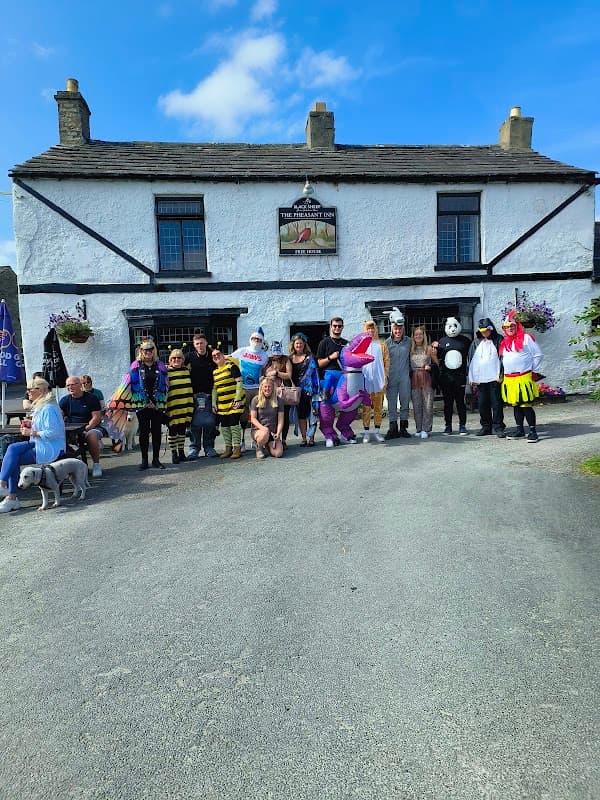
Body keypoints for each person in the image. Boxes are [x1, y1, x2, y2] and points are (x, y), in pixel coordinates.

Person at [0, 377, 66, 513]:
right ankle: (4, 486)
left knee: (14, 458)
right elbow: (43, 427)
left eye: (30, 389)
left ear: (40, 391)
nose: (28, 392)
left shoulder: (48, 408)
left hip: (50, 447)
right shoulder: (42, 405)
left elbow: (53, 432)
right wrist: (31, 424)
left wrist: (32, 432)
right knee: (12, 449)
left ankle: (10, 495)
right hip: (38, 442)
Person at [107, 339, 169, 470]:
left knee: (157, 432)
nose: (148, 352)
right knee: (144, 432)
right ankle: (145, 460)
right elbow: (130, 384)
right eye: (145, 349)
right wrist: (115, 401)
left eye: (151, 349)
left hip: (157, 405)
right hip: (142, 404)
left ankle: (156, 460)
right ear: (141, 351)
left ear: (154, 350)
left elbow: (165, 385)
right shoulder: (136, 366)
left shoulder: (161, 365)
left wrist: (157, 401)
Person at [499, 312, 543, 443]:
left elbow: (538, 355)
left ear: (517, 326)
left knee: (525, 405)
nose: (510, 328)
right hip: (509, 380)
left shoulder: (526, 338)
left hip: (523, 377)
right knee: (516, 405)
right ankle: (520, 430)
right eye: (507, 327)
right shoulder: (504, 342)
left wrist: (532, 370)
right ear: (504, 329)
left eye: (512, 326)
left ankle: (533, 431)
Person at [432, 316, 471, 436]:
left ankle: (462, 425)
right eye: (449, 326)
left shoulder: (466, 341)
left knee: (460, 402)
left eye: (455, 325)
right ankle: (448, 426)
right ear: (445, 327)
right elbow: (435, 358)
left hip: (460, 377)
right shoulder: (441, 342)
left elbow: (472, 357)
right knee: (447, 403)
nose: (452, 329)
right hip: (446, 378)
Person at [231, 328, 269, 451]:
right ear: (250, 339)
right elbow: (229, 360)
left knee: (256, 415)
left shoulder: (264, 356)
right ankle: (242, 441)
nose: (256, 341)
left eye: (259, 340)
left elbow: (263, 371)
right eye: (254, 339)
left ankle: (255, 439)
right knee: (243, 416)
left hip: (257, 389)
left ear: (262, 341)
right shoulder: (242, 351)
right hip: (242, 388)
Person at [467, 318, 506, 438]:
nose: (484, 333)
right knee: (483, 404)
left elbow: (504, 358)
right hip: (481, 379)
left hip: (494, 378)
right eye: (482, 331)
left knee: (496, 403)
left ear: (491, 329)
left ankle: (498, 427)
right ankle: (486, 427)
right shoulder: (476, 342)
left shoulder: (499, 339)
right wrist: (471, 377)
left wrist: (501, 374)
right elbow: (471, 360)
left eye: (486, 330)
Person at [59, 375, 104, 477]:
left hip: (92, 427)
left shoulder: (91, 398)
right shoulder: (64, 400)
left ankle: (96, 465)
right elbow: (59, 417)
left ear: (80, 385)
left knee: (91, 436)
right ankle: (69, 468)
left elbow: (96, 417)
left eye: (73, 384)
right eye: (68, 385)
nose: (70, 387)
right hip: (72, 429)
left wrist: (86, 429)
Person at [186, 333, 217, 459]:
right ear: (194, 345)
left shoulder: (212, 356)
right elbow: (177, 366)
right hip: (194, 396)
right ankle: (194, 448)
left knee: (210, 423)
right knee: (195, 424)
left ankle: (209, 447)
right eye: (197, 343)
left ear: (206, 343)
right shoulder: (189, 357)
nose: (200, 346)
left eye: (202, 343)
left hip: (210, 395)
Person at [211, 345, 245, 459]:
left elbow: (239, 382)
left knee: (234, 424)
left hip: (234, 401)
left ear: (222, 355)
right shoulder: (215, 372)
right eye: (214, 356)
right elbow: (214, 389)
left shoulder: (232, 366)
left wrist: (237, 398)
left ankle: (237, 448)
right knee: (224, 426)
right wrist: (213, 403)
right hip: (222, 404)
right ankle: (228, 448)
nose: (216, 357)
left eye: (218, 354)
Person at [288, 333, 319, 446]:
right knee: (301, 415)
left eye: (301, 343)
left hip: (310, 390)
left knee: (312, 415)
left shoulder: (310, 356)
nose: (299, 345)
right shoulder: (290, 358)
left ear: (304, 344)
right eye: (297, 343)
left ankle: (311, 438)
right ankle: (304, 438)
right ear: (293, 345)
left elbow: (315, 374)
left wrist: (316, 389)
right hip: (297, 392)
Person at [384, 310, 411, 439]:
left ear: (403, 329)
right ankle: (393, 428)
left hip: (405, 377)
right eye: (395, 329)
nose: (398, 331)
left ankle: (404, 428)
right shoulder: (386, 344)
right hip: (391, 377)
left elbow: (420, 348)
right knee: (392, 404)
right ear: (392, 329)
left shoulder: (409, 342)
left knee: (405, 402)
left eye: (400, 329)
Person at [361, 320, 389, 443]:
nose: (371, 331)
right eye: (368, 329)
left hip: (378, 380)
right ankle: (366, 432)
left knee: (378, 407)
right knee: (366, 407)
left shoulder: (381, 344)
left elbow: (386, 361)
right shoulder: (361, 345)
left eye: (373, 329)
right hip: (365, 380)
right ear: (365, 330)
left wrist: (385, 377)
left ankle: (377, 431)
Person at [262, 341, 293, 447]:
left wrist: (277, 373)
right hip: (270, 392)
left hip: (283, 393)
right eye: (275, 352)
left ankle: (283, 439)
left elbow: (289, 375)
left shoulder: (286, 359)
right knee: (271, 416)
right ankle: (271, 439)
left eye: (278, 352)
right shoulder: (269, 360)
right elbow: (264, 373)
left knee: (284, 417)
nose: (276, 354)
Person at [166, 349, 194, 463]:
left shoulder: (187, 371)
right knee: (173, 431)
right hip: (172, 407)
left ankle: (181, 452)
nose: (176, 360)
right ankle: (174, 453)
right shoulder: (166, 372)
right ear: (170, 360)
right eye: (173, 358)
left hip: (184, 406)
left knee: (182, 430)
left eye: (179, 358)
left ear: (182, 360)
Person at [409, 326, 436, 439]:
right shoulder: (411, 349)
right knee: (417, 404)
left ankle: (426, 428)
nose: (418, 336)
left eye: (420, 334)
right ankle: (419, 428)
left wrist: (430, 366)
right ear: (413, 337)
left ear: (423, 336)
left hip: (426, 377)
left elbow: (437, 364)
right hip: (415, 377)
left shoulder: (429, 349)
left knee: (427, 404)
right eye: (416, 335)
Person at [250, 376, 284, 459]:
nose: (267, 389)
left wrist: (278, 433)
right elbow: (253, 418)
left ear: (273, 388)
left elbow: (280, 419)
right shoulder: (255, 400)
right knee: (264, 433)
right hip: (259, 431)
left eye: (269, 387)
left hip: (273, 432)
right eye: (265, 386)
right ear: (261, 387)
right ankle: (259, 448)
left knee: (278, 454)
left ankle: (268, 445)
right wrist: (262, 428)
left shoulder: (279, 400)